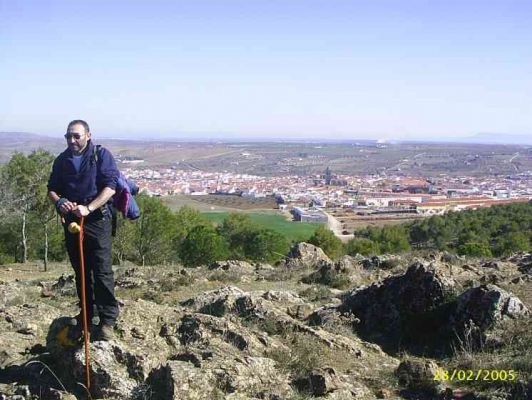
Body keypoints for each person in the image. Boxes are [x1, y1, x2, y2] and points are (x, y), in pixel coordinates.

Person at [48, 120, 119, 341]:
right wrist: (59, 203)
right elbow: (52, 189)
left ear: (88, 135)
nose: (72, 140)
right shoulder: (62, 160)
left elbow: (110, 186)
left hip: (97, 220)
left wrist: (88, 208)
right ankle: (87, 315)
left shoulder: (101, 155)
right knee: (81, 271)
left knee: (101, 270)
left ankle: (107, 319)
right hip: (72, 223)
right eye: (68, 136)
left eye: (76, 136)